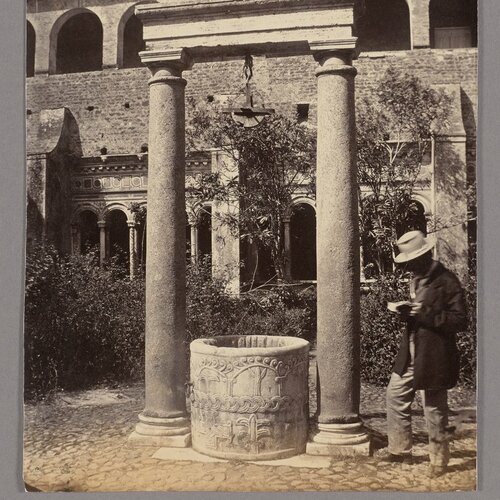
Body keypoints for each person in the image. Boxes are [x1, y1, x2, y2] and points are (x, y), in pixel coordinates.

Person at [385, 230, 467, 478]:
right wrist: (406, 311)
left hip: (434, 355)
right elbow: (417, 313)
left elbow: (460, 321)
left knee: (434, 408)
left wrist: (425, 313)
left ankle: (438, 461)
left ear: (425, 256)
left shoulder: (448, 281)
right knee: (395, 395)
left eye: (411, 261)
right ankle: (400, 451)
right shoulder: (417, 279)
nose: (408, 266)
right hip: (410, 353)